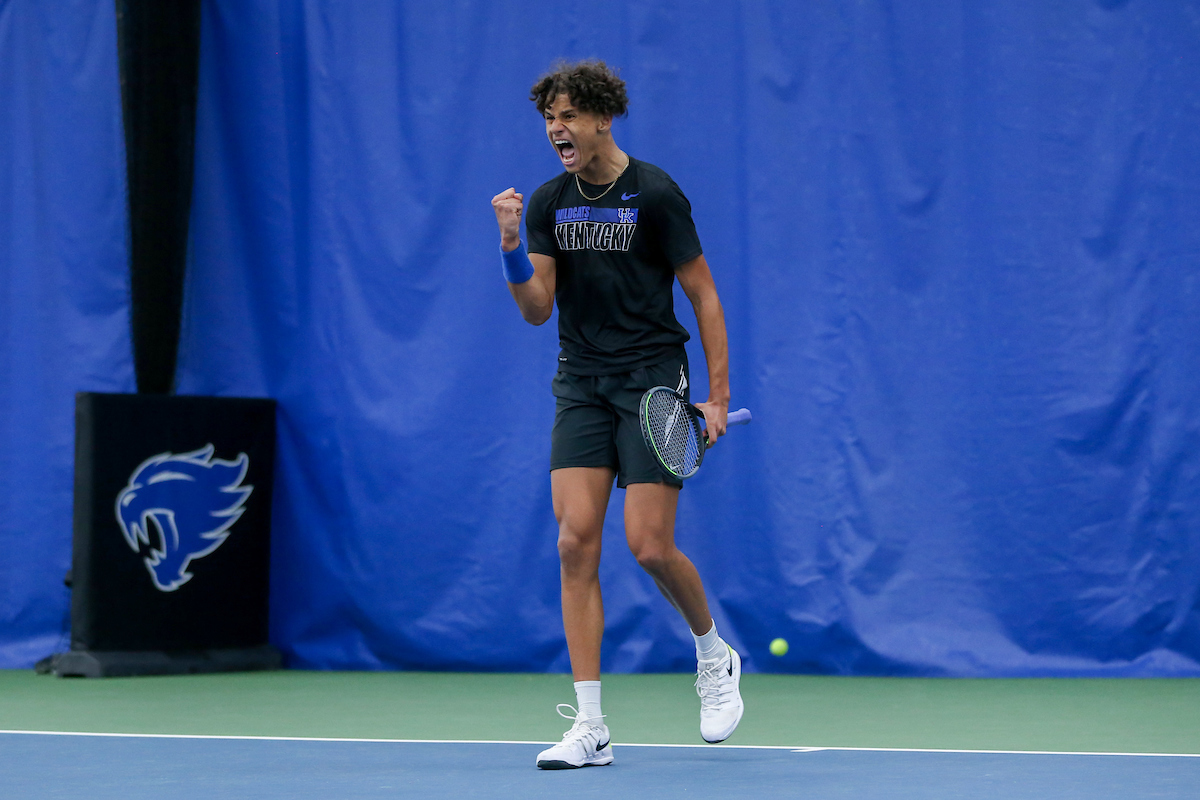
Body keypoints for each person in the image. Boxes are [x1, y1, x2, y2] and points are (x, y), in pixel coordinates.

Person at [490, 60, 743, 770]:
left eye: (568, 117)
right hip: (580, 382)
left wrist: (715, 396)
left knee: (649, 546)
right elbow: (538, 309)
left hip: (652, 380)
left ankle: (713, 655)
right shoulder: (547, 202)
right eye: (549, 120)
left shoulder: (655, 193)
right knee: (574, 543)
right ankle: (592, 726)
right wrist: (511, 247)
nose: (556, 131)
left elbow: (705, 297)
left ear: (604, 118)